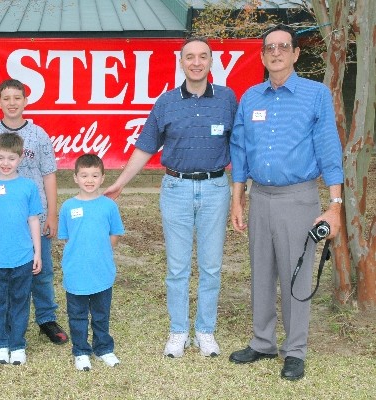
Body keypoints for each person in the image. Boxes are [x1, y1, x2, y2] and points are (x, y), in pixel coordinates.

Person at [104, 37, 237, 358]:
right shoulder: (166, 103)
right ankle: (178, 331)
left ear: (210, 61)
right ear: (181, 62)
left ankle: (205, 331)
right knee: (177, 268)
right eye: (189, 57)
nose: (196, 62)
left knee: (211, 267)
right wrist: (120, 183)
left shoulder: (227, 99)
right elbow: (146, 146)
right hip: (175, 190)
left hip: (216, 189)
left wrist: (240, 193)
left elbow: (242, 147)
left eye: (202, 57)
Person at [228, 24, 343, 381]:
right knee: (261, 273)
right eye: (269, 48)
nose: (275, 52)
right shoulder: (250, 98)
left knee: (296, 277)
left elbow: (328, 149)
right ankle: (263, 342)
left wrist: (335, 205)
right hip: (260, 197)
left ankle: (295, 351)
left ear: (295, 53)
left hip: (299, 199)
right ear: (263, 57)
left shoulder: (316, 95)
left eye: (283, 46)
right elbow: (240, 150)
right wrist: (238, 199)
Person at [0, 78, 69, 345]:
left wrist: (51, 214)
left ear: (26, 101)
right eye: (7, 98)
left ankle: (46, 318)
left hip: (33, 217)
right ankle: (5, 322)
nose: (12, 103)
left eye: (18, 97)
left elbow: (48, 175)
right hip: (2, 219)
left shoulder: (38, 135)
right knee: (3, 270)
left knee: (41, 269)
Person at [0, 132, 42, 365]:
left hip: (23, 257)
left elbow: (34, 220)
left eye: (11, 158)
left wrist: (37, 253)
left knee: (20, 301)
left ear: (21, 158)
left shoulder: (28, 187)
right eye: (1, 158)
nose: (5, 163)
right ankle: (0, 344)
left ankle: (17, 344)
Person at [58, 154, 125, 371]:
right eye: (84, 175)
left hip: (101, 272)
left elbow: (114, 234)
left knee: (101, 315)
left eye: (95, 175)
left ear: (102, 178)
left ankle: (103, 348)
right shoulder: (68, 207)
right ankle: (81, 351)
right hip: (76, 272)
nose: (89, 180)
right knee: (77, 315)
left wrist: (100, 253)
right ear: (75, 177)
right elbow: (68, 237)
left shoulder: (109, 206)